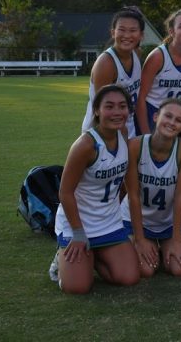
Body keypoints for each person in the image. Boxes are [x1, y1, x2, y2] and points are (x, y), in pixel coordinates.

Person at [55, 84, 140, 294]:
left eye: (122, 106)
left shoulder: (123, 133)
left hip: (109, 223)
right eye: (109, 106)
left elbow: (130, 188)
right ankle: (61, 260)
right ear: (96, 110)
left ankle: (92, 257)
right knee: (77, 288)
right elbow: (65, 192)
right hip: (79, 224)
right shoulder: (85, 145)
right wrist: (78, 233)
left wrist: (139, 236)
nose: (117, 112)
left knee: (129, 277)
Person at [122, 98, 181, 277]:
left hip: (169, 221)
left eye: (178, 120)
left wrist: (177, 240)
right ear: (155, 117)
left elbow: (180, 197)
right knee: (145, 270)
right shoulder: (135, 146)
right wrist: (139, 240)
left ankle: (166, 245)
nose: (171, 122)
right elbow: (133, 195)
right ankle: (148, 244)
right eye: (167, 116)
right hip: (137, 219)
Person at [81, 6, 145, 138]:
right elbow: (103, 109)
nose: (127, 35)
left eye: (133, 30)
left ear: (141, 35)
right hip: (103, 134)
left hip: (127, 128)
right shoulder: (106, 64)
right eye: (121, 30)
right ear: (113, 32)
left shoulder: (136, 54)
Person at [136, 9, 181, 134]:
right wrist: (145, 134)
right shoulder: (158, 57)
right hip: (152, 115)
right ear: (171, 31)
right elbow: (141, 97)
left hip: (174, 118)